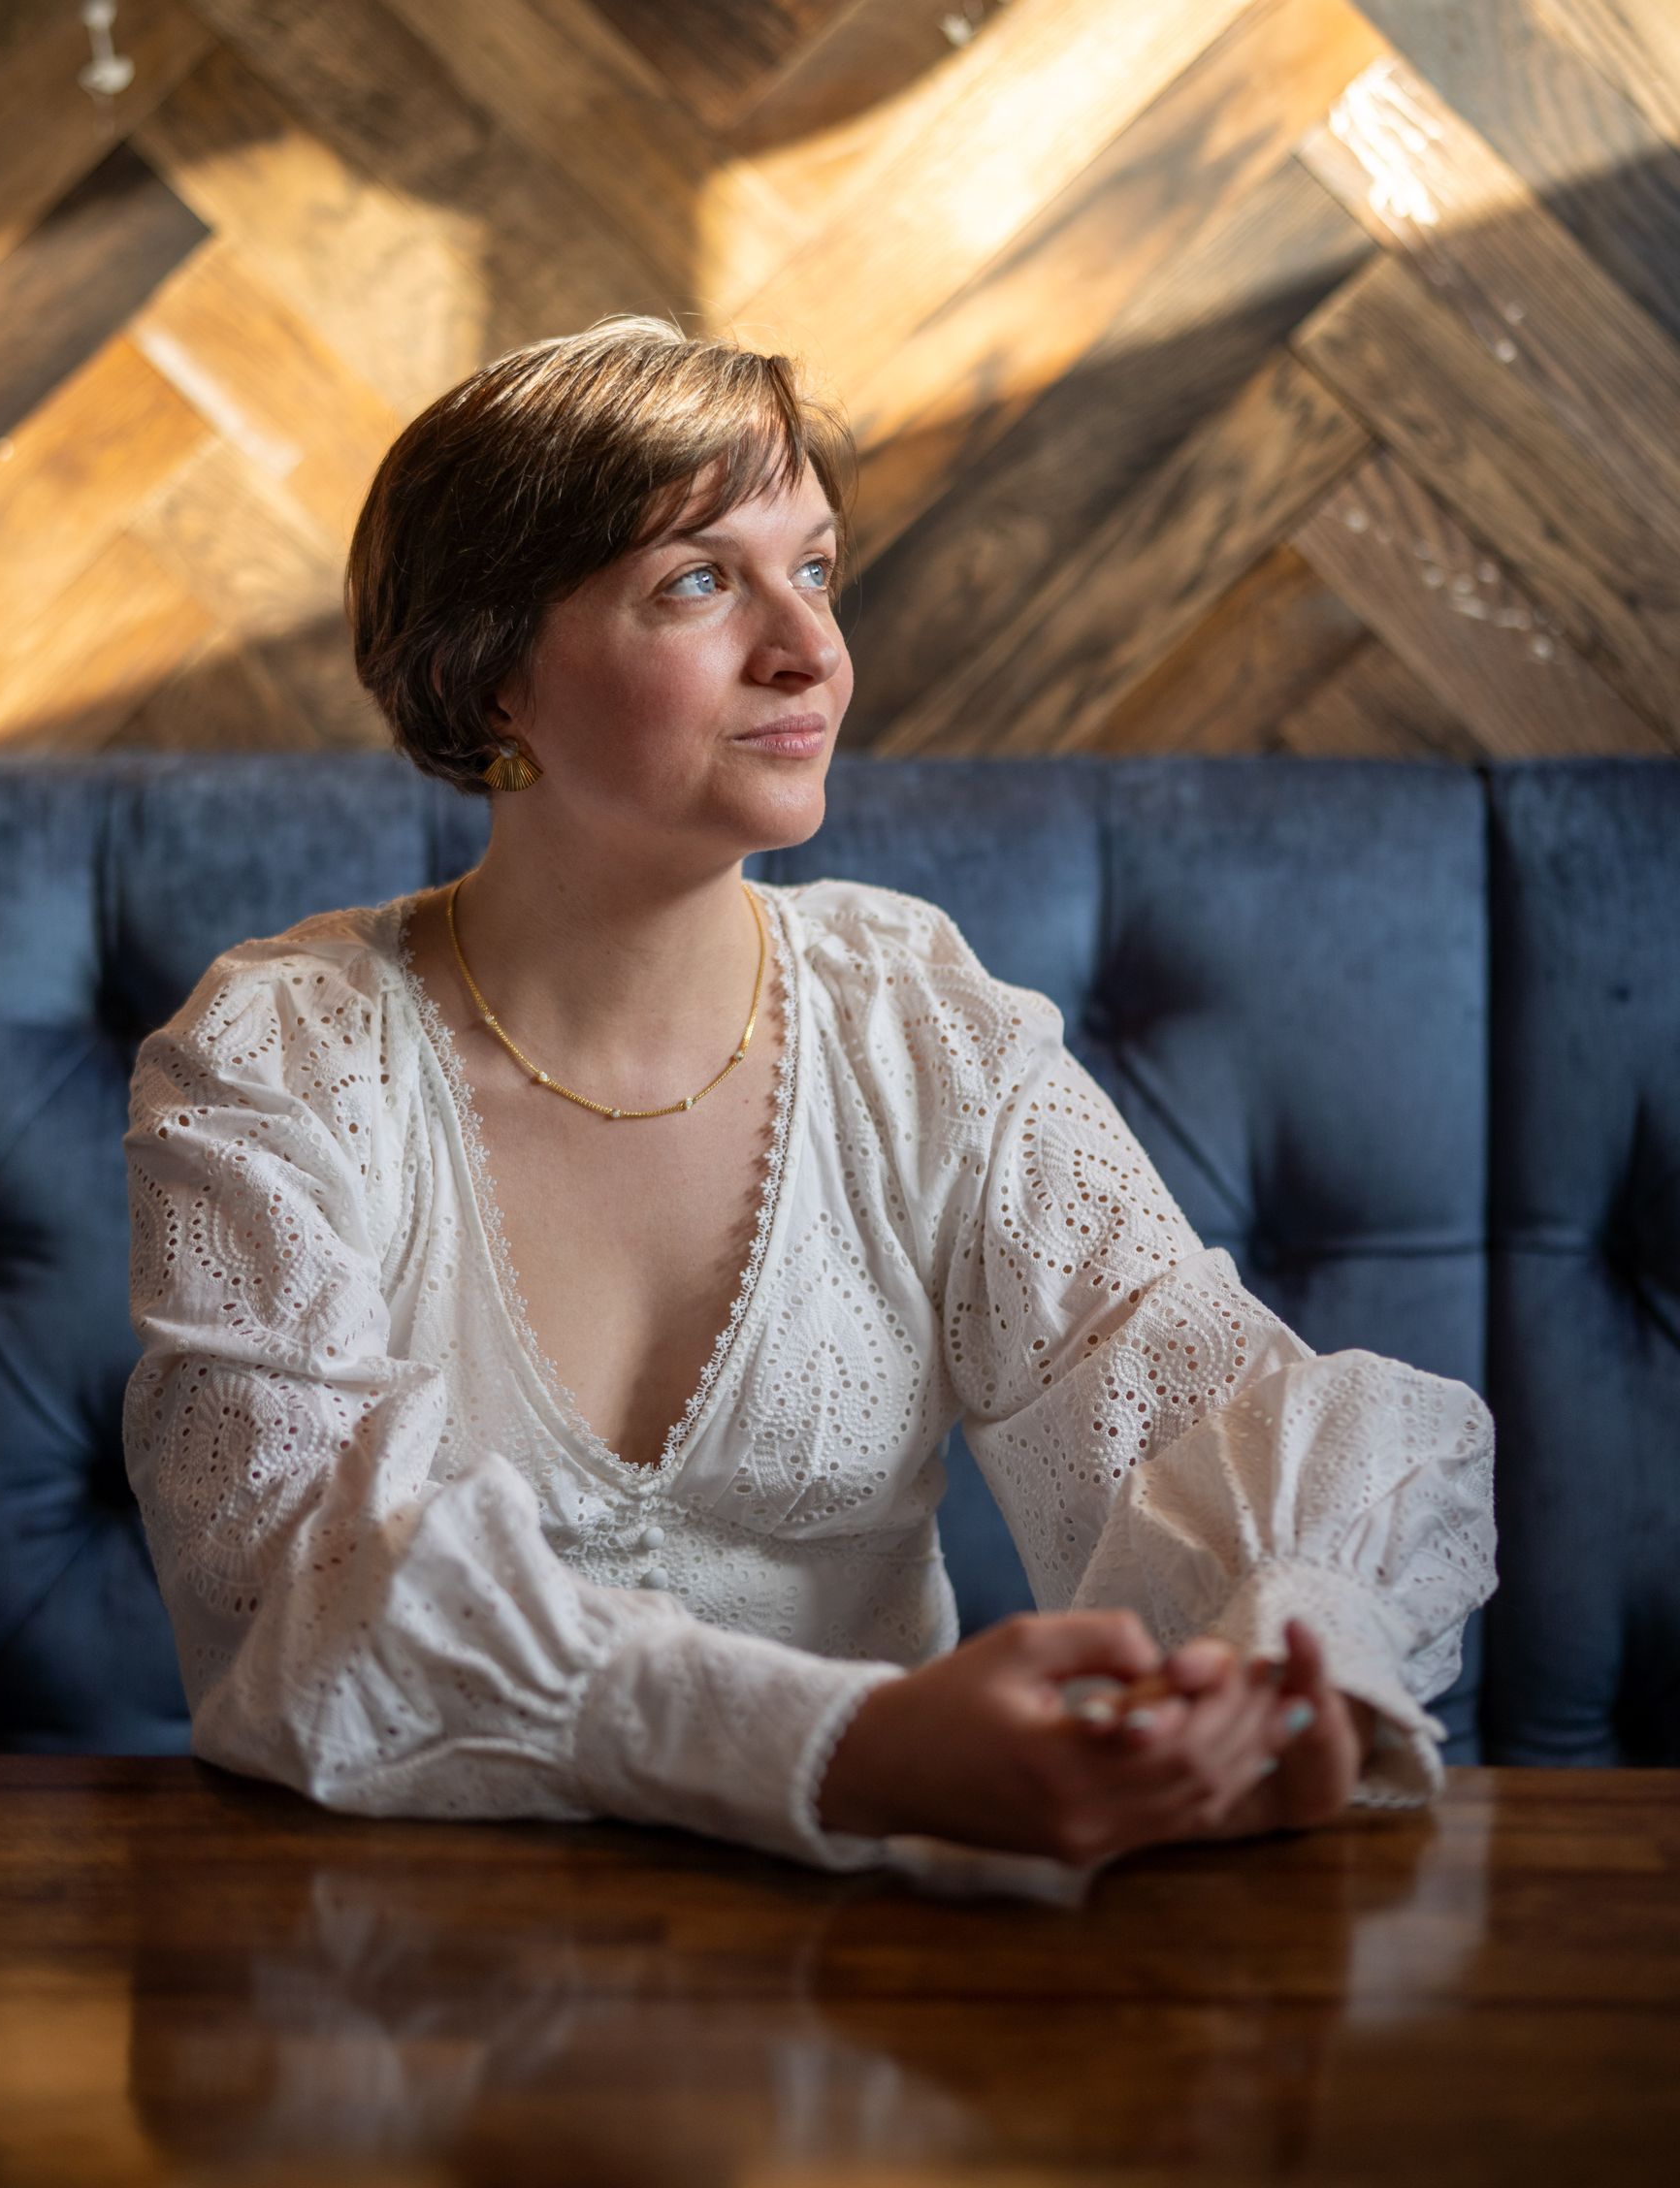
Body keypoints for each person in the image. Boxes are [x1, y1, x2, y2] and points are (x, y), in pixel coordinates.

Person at [121, 316, 1497, 1879]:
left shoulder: (917, 1024)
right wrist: (854, 1748)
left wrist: (1278, 1671)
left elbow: (1212, 1419)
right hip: (397, 1958)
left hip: (876, 1962)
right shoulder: (280, 1060)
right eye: (698, 582)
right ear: (486, 677)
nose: (810, 650)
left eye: (818, 570)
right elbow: (291, 1589)